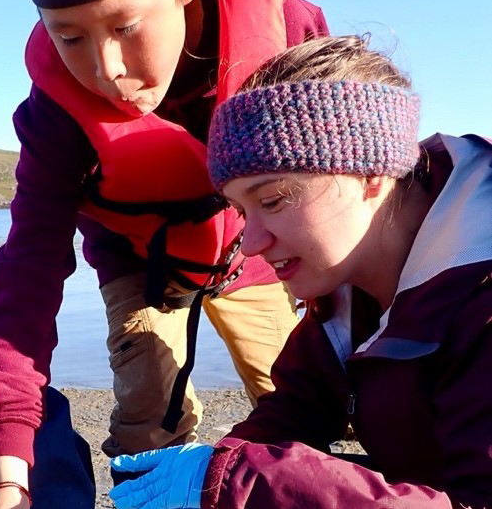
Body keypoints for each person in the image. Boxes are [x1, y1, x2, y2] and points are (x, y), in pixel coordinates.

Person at [0, 0, 329, 506]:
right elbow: (27, 271)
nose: (106, 70)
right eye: (70, 36)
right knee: (146, 418)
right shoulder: (55, 114)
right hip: (138, 264)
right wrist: (10, 467)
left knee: (300, 405)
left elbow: (345, 203)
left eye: (126, 26)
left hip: (257, 250)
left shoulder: (289, 33)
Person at [108, 35, 492, 509]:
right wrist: (220, 465)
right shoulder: (345, 293)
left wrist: (244, 486)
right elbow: (294, 408)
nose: (248, 246)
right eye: (242, 212)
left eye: (273, 200)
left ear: (373, 174)